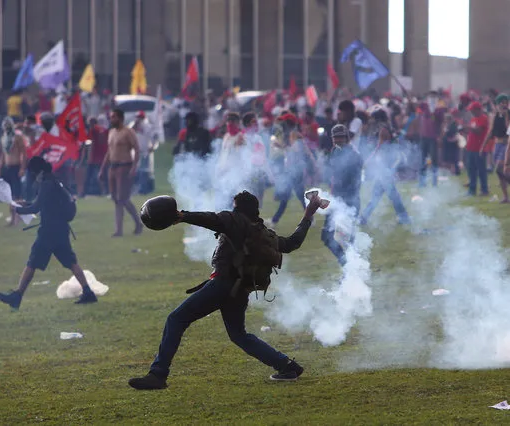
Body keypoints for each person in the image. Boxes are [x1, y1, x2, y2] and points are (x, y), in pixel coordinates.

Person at [127, 190, 323, 390]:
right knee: (239, 335)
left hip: (223, 285)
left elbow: (211, 219)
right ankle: (288, 366)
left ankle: (158, 375)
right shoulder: (264, 233)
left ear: (238, 208)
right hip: (239, 290)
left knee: (176, 319)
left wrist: (183, 216)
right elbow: (292, 242)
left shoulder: (233, 220)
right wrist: (308, 214)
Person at [0, 156, 98, 309]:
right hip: (60, 229)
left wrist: (18, 209)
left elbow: (36, 208)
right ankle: (88, 292)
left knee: (32, 262)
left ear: (38, 171)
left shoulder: (46, 184)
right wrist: (25, 204)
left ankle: (17, 296)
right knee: (71, 262)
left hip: (49, 231)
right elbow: (42, 204)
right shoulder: (53, 181)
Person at [359, 109, 411, 226]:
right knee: (380, 194)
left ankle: (365, 217)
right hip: (385, 166)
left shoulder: (383, 129)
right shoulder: (386, 127)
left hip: (385, 166)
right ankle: (365, 217)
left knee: (386, 195)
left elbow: (379, 147)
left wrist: (368, 161)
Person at [322, 124, 363, 266]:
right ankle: (346, 264)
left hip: (349, 201)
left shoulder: (354, 155)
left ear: (346, 138)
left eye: (340, 137)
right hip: (335, 200)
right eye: (335, 137)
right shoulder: (334, 151)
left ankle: (352, 269)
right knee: (327, 237)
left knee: (348, 240)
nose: (337, 140)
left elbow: (356, 182)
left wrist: (346, 201)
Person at [98, 109, 143, 237]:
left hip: (124, 166)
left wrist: (134, 167)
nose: (111, 119)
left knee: (122, 198)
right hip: (113, 167)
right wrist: (102, 169)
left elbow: (137, 149)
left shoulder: (128, 132)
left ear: (120, 118)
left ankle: (136, 223)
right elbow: (109, 152)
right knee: (116, 199)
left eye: (113, 117)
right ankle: (120, 230)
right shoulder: (111, 132)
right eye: (111, 117)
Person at [0, 117, 27, 226]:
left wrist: (22, 168)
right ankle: (13, 217)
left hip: (16, 166)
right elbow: (3, 156)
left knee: (17, 194)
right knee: (10, 195)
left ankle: (17, 218)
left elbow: (23, 152)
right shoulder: (4, 138)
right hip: (7, 168)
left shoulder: (17, 137)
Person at [481, 94, 510, 203]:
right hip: (497, 145)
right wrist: (483, 145)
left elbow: (509, 129)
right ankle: (506, 197)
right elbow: (491, 131)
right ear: (497, 105)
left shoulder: (509, 114)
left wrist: (506, 116)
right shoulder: (494, 116)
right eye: (501, 102)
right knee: (500, 173)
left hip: (507, 144)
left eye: (505, 102)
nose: (504, 104)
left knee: (500, 168)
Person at [465, 101, 489, 197]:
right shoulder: (473, 119)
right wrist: (465, 130)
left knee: (481, 170)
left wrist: (469, 127)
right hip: (471, 147)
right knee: (471, 170)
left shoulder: (483, 118)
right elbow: (471, 131)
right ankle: (472, 189)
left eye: (472, 110)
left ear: (477, 109)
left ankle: (484, 190)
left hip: (480, 148)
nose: (471, 112)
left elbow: (479, 131)